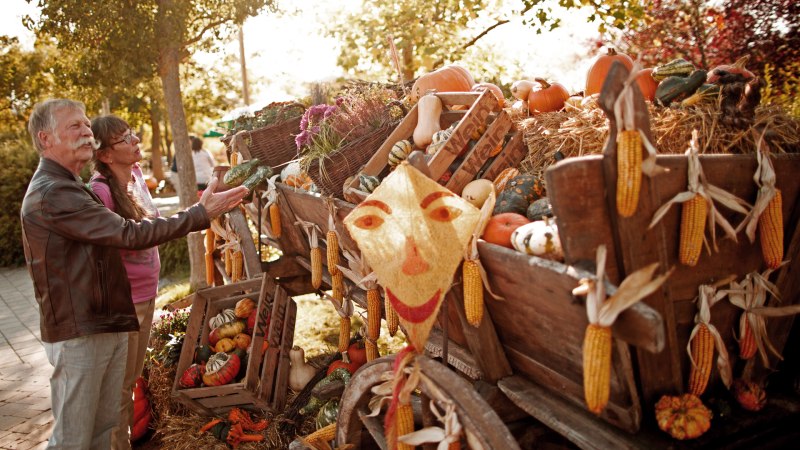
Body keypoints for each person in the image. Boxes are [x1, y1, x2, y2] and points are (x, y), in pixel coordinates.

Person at [20, 99, 248, 449]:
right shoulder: (54, 193)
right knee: (74, 439)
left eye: (85, 124)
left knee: (101, 430)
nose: (85, 131)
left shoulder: (68, 186)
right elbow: (129, 234)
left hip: (104, 322)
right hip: (81, 331)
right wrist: (199, 214)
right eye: (74, 127)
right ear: (46, 139)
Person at [89, 115, 160, 450]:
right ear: (104, 154)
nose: (134, 140)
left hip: (147, 295)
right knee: (121, 387)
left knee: (132, 381)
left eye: (133, 133)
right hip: (126, 301)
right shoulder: (100, 192)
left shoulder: (135, 176)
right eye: (124, 138)